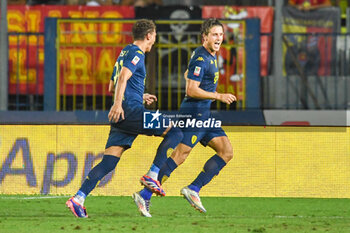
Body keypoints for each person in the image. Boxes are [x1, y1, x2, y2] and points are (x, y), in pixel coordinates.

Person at [66, 19, 183, 218]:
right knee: (175, 131)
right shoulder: (137, 53)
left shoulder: (124, 52)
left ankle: (78, 198)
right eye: (154, 36)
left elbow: (112, 86)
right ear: (148, 36)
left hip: (123, 116)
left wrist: (140, 95)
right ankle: (153, 175)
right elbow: (122, 78)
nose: (154, 41)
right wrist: (119, 104)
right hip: (130, 112)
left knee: (109, 163)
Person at [138, 18, 236, 214]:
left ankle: (193, 188)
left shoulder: (209, 55)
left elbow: (189, 76)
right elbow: (191, 90)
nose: (218, 38)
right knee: (179, 155)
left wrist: (191, 76)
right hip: (194, 113)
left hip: (205, 115)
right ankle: (144, 195)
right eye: (214, 35)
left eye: (220, 34)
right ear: (204, 37)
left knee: (226, 151)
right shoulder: (202, 58)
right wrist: (218, 95)